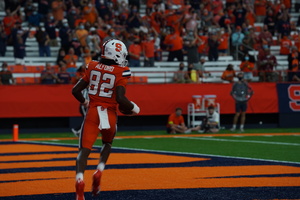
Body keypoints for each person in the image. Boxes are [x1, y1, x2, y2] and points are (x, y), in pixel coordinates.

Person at [72, 39, 140, 200]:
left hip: (92, 113)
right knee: (107, 143)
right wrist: (135, 109)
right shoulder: (121, 71)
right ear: (117, 54)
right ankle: (99, 170)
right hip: (109, 114)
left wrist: (85, 101)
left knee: (83, 152)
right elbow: (121, 99)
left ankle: (80, 182)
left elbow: (75, 91)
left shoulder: (92, 66)